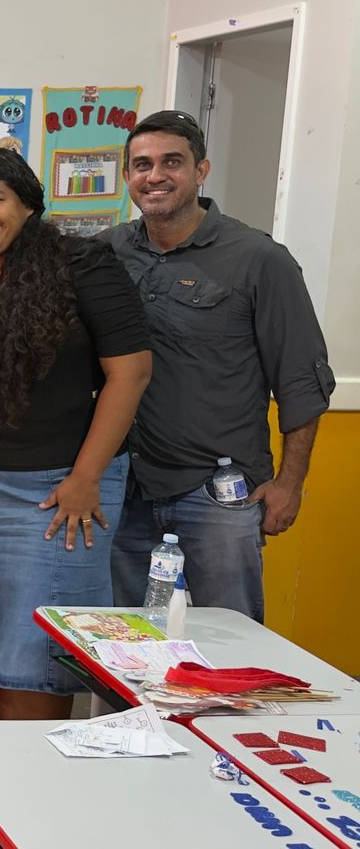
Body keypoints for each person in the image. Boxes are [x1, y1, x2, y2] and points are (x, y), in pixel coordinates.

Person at [0, 149, 151, 720]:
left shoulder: (83, 265)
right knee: (0, 634)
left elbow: (130, 372)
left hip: (63, 488)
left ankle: (32, 782)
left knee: (39, 647)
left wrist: (87, 476)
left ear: (28, 204)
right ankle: (12, 773)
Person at [104, 111, 332, 622]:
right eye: (141, 165)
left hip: (218, 494)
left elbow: (301, 380)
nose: (155, 176)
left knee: (228, 647)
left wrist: (290, 483)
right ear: (127, 177)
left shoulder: (258, 259)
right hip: (125, 489)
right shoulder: (108, 252)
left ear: (201, 171)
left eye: (172, 162)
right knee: (126, 644)